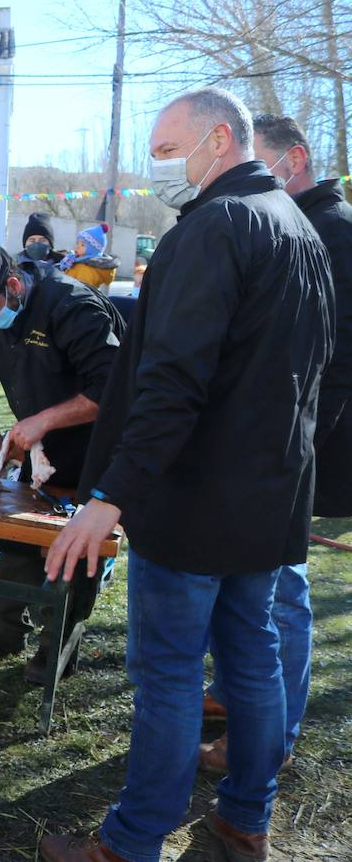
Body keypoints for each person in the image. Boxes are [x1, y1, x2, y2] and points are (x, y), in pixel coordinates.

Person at [41, 87, 333, 862]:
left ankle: (131, 843)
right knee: (253, 659)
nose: (159, 167)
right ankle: (244, 821)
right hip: (265, 498)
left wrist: (110, 495)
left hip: (198, 497)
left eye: (169, 150)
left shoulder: (218, 226)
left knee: (170, 674)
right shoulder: (299, 228)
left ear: (218, 140)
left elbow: (171, 381)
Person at [194, 113, 352, 777]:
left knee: (279, 592)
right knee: (246, 576)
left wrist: (296, 443)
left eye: (261, 162)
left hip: (305, 444)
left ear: (296, 158)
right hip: (273, 439)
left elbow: (335, 358)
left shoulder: (335, 231)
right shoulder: (293, 220)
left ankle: (270, 739)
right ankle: (236, 698)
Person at [0, 241, 122, 683]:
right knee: (18, 535)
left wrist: (42, 421)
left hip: (93, 449)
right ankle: (4, 631)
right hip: (40, 450)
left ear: (13, 286)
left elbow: (112, 388)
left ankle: (57, 651)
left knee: (76, 550)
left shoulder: (73, 306)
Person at [58, 223, 119, 290]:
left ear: (92, 250)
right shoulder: (75, 260)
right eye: (77, 243)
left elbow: (81, 292)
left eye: (82, 245)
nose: (77, 247)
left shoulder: (86, 269)